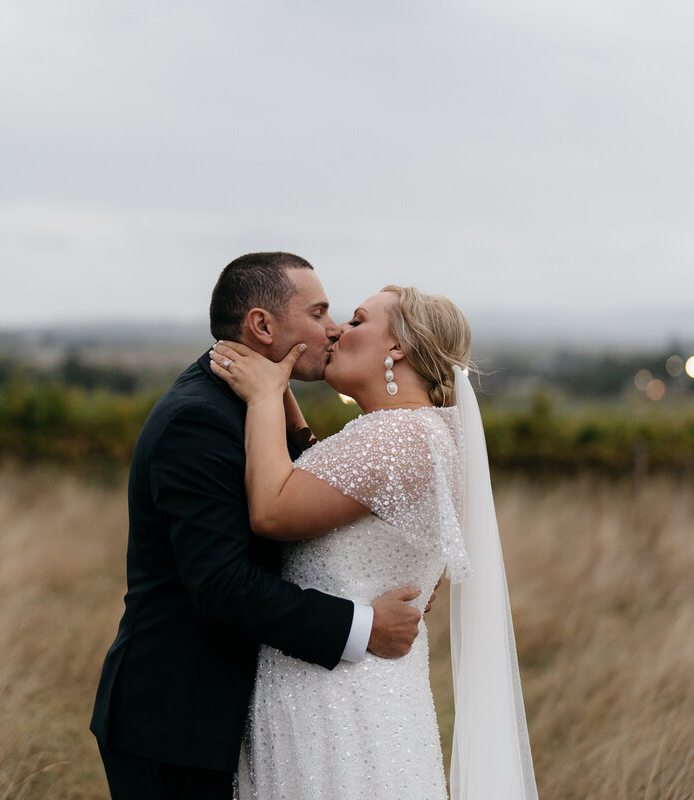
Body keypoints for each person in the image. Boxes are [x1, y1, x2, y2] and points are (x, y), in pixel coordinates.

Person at [89, 253, 426, 800]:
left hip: (235, 720)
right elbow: (223, 586)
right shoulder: (198, 420)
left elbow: (305, 509)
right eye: (318, 313)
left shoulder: (253, 405)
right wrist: (364, 625)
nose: (334, 328)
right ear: (263, 325)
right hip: (175, 725)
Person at [209, 285, 538, 799]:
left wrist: (263, 395)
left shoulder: (396, 437)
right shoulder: (420, 431)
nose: (339, 329)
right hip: (356, 694)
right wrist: (290, 409)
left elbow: (273, 510)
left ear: (398, 348)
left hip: (337, 706)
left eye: (359, 321)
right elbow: (340, 494)